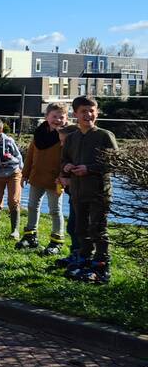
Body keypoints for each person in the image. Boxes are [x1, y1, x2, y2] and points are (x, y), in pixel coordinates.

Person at [61, 95, 119, 284]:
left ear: (97, 112)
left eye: (91, 110)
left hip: (98, 191)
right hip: (77, 191)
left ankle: (101, 265)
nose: (88, 115)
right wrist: (67, 167)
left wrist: (90, 168)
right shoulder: (71, 138)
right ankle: (84, 260)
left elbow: (114, 163)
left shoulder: (104, 135)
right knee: (80, 228)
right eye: (83, 111)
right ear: (75, 114)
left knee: (98, 229)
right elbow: (64, 160)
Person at [20, 103, 71, 254]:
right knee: (32, 206)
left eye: (61, 117)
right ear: (46, 117)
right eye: (54, 116)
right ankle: (30, 236)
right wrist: (25, 173)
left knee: (55, 210)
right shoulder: (39, 132)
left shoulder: (67, 136)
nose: (58, 120)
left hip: (56, 180)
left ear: (67, 118)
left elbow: (69, 158)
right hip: (36, 176)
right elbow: (30, 155)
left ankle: (57, 241)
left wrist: (64, 176)